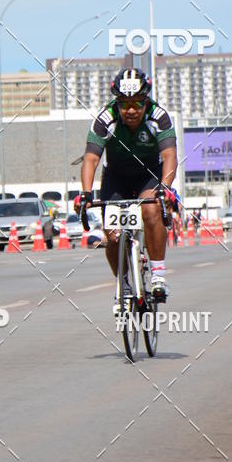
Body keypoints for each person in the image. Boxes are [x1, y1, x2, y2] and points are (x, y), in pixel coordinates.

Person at [79, 67, 178, 307]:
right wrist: (85, 193)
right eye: (125, 104)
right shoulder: (106, 118)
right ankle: (122, 282)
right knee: (112, 234)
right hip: (116, 176)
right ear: (117, 103)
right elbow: (91, 158)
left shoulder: (159, 116)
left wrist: (165, 188)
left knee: (152, 210)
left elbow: (169, 156)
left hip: (148, 175)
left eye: (137, 103)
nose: (131, 110)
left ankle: (157, 275)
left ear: (146, 101)